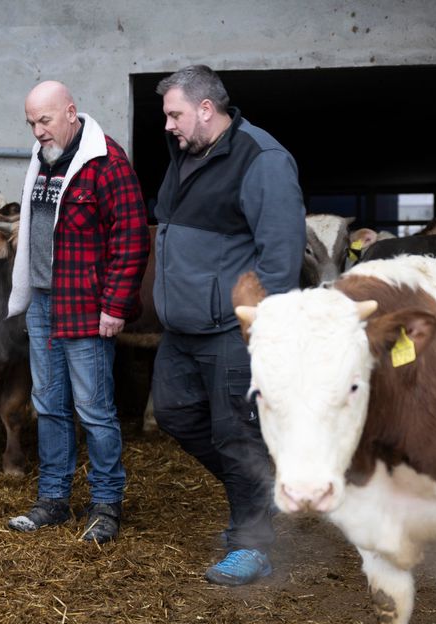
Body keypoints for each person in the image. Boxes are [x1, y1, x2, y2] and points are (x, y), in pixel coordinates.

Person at [151, 65, 305, 585]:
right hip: (182, 327)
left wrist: (261, 330)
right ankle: (262, 499)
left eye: (174, 114)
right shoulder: (186, 154)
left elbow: (280, 257)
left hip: (231, 328)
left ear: (205, 109)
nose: (167, 125)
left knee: (236, 434)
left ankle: (253, 543)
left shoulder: (262, 159)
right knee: (173, 413)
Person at [6, 80, 151, 544]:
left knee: (94, 409)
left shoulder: (107, 162)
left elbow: (132, 239)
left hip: (85, 307)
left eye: (44, 121)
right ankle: (53, 500)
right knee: (48, 405)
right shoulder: (41, 158)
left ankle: (106, 504)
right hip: (44, 301)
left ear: (70, 112)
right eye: (31, 123)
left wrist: (114, 306)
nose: (37, 131)